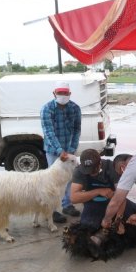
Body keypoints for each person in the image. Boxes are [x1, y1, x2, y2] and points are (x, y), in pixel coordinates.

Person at [62, 150, 136, 261]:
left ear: (100, 163)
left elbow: (121, 198)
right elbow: (73, 198)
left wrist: (118, 220)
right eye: (87, 170)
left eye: (94, 170)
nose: (90, 173)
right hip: (93, 205)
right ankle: (91, 239)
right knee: (88, 226)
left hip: (116, 203)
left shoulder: (113, 169)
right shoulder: (79, 171)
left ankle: (100, 237)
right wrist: (98, 191)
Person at [40, 81, 82, 222]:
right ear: (54, 93)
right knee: (53, 181)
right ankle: (52, 210)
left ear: (69, 94)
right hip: (53, 150)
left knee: (69, 178)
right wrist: (59, 151)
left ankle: (67, 205)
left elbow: (76, 130)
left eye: (65, 93)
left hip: (69, 149)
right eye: (60, 93)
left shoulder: (75, 108)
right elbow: (48, 132)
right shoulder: (47, 109)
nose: (62, 95)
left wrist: (71, 150)